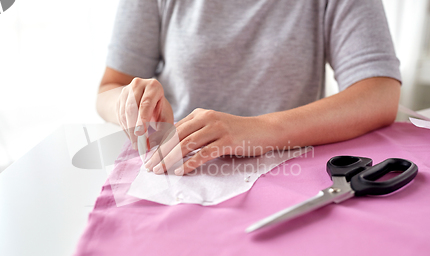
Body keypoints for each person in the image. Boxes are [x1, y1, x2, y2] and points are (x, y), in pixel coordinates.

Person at [96, 0, 401, 176]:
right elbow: (111, 88)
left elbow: (379, 91)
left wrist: (262, 129)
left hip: (291, 169)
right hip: (179, 172)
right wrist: (128, 103)